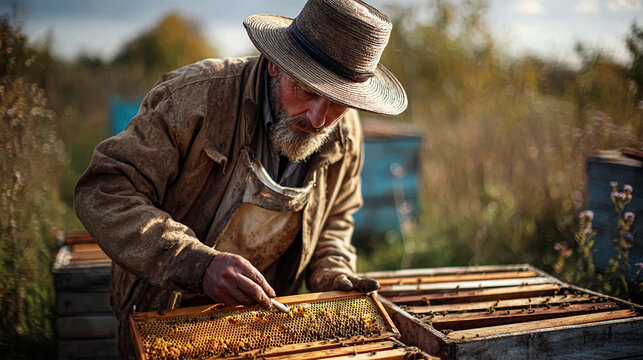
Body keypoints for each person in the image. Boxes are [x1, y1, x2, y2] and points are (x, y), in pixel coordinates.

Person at [74, 0, 407, 358]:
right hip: (166, 308)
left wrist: (333, 271)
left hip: (264, 324)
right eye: (308, 90)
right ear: (277, 66)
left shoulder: (345, 133)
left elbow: (336, 219)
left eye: (338, 102)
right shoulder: (193, 99)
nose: (318, 119)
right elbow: (104, 190)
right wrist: (198, 264)